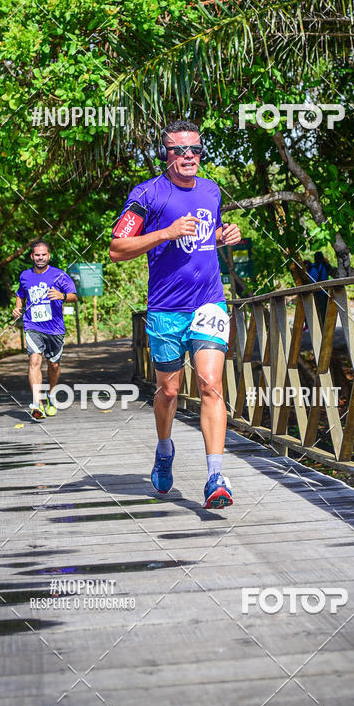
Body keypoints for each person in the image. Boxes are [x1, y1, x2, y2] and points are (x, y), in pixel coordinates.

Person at [109, 120, 241, 509]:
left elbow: (206, 234)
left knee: (210, 384)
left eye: (195, 150)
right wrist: (164, 233)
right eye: (179, 150)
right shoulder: (147, 193)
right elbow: (118, 247)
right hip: (166, 309)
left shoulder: (211, 189)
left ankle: (216, 476)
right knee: (168, 390)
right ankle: (164, 449)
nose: (188, 156)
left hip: (209, 303)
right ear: (165, 154)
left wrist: (223, 235)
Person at [12, 239, 77, 420]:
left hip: (55, 328)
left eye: (43, 255)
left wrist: (62, 295)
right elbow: (20, 294)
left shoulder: (59, 275)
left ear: (48, 256)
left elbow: (74, 296)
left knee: (54, 365)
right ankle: (37, 403)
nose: (40, 258)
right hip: (33, 326)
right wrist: (17, 308)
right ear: (32, 256)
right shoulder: (25, 275)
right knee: (34, 361)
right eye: (37, 255)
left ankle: (51, 395)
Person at [308, 251, 330, 325]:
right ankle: (323, 326)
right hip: (324, 291)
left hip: (316, 292)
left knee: (316, 310)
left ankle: (319, 326)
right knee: (323, 311)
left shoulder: (312, 267)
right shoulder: (325, 265)